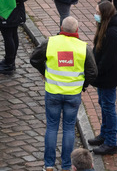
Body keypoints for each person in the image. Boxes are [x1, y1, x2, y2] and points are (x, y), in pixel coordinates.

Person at [30, 16, 97, 171]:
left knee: (52, 127)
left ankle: (49, 165)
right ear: (77, 30)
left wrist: (45, 73)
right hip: (73, 94)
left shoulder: (50, 42)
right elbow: (93, 72)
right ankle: (67, 166)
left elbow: (34, 58)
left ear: (61, 28)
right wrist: (83, 85)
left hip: (53, 92)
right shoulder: (83, 48)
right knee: (68, 128)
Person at [88, 0, 117, 156]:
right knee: (104, 104)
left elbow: (108, 59)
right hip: (104, 76)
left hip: (108, 77)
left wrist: (95, 72)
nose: (96, 15)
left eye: (98, 12)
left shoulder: (113, 33)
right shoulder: (107, 28)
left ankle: (111, 142)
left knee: (108, 107)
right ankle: (104, 134)